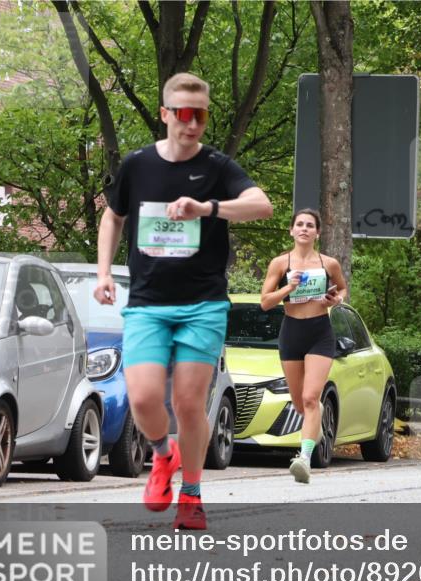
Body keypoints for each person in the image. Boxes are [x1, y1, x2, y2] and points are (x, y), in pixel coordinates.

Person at [94, 73, 273, 530]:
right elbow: (112, 218)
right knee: (143, 397)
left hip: (202, 305)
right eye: (184, 114)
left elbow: (262, 205)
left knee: (189, 404)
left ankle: (191, 495)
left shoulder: (217, 168)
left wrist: (207, 207)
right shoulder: (138, 165)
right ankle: (162, 454)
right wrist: (103, 274)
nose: (192, 124)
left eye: (201, 116)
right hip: (148, 303)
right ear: (165, 114)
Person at [260, 209, 348, 482]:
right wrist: (288, 288)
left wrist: (337, 299)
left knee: (311, 398)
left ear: (317, 233)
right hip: (292, 332)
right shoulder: (280, 263)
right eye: (299, 224)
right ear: (291, 230)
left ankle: (304, 459)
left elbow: (342, 289)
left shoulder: (328, 263)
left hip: (320, 332)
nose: (304, 229)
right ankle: (314, 419)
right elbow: (264, 302)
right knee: (300, 403)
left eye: (310, 225)